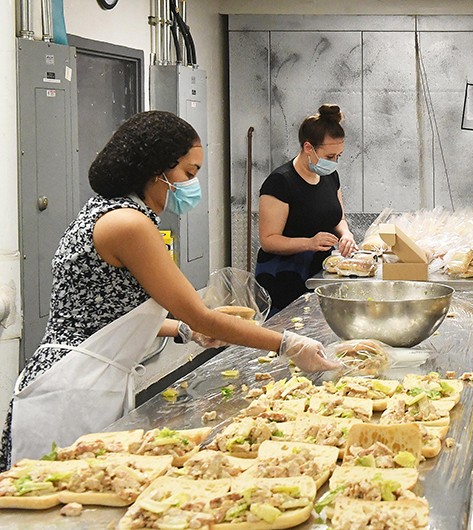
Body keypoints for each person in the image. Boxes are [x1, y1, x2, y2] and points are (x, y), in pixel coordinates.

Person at [1, 111, 340, 469]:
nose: (192, 184)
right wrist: (288, 344)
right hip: (71, 390)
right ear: (157, 169)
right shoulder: (128, 224)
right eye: (189, 173)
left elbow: (108, 315)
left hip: (91, 378)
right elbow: (201, 313)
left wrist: (181, 330)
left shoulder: (116, 212)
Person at [255, 105, 356, 315]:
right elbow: (269, 239)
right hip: (284, 278)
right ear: (308, 148)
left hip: (319, 272)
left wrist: (346, 234)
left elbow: (338, 217)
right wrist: (309, 243)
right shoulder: (280, 183)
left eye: (339, 156)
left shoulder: (330, 176)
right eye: (329, 156)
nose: (334, 162)